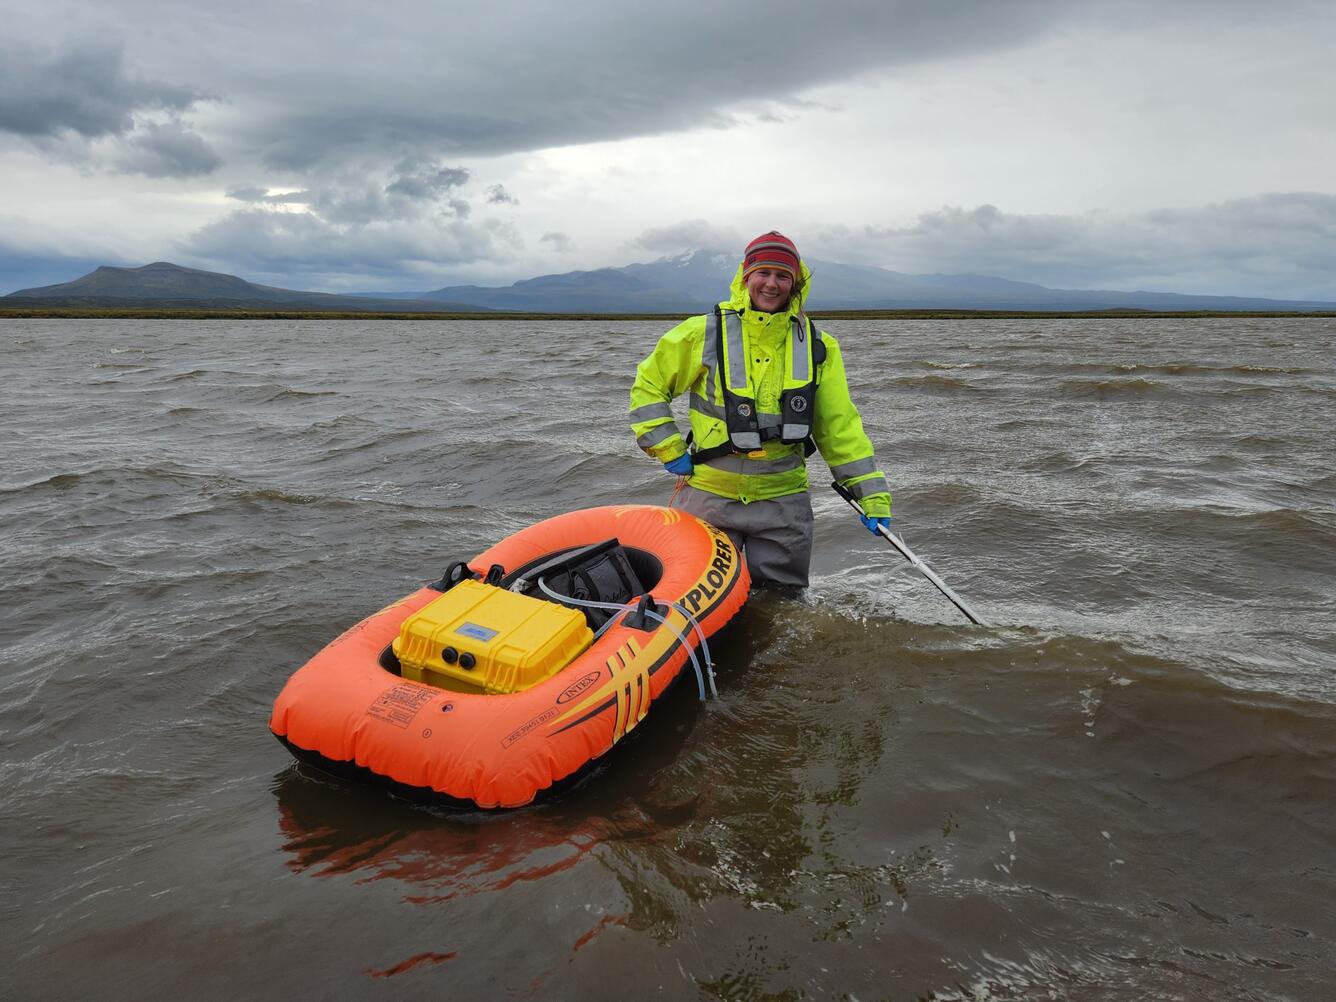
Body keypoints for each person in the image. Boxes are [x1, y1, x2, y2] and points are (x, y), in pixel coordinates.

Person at [628, 231, 891, 588]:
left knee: (781, 608)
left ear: (796, 284)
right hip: (709, 497)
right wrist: (669, 449)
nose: (772, 284)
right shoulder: (702, 332)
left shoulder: (820, 346)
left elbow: (838, 426)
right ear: (745, 277)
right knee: (693, 594)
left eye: (783, 276)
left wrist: (870, 494)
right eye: (763, 273)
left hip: (784, 504)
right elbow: (649, 386)